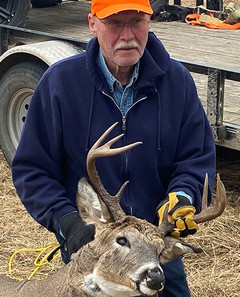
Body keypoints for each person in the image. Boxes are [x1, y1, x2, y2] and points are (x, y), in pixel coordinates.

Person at [12, 0, 216, 296]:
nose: (128, 35)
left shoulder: (177, 82)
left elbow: (195, 158)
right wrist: (68, 222)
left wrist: (183, 196)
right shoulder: (60, 83)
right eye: (114, 23)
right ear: (93, 24)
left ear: (150, 22)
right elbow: (32, 170)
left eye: (137, 21)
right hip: (94, 243)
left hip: (152, 243)